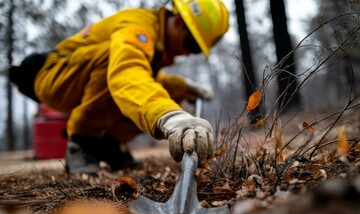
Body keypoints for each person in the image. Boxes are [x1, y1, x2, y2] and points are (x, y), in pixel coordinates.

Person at [9, 0, 229, 175]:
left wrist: (184, 87)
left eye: (197, 50)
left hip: (74, 79)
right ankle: (83, 142)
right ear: (179, 22)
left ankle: (108, 144)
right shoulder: (138, 27)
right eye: (192, 44)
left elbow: (142, 76)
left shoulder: (155, 40)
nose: (189, 53)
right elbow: (127, 72)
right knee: (119, 63)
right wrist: (168, 115)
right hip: (52, 78)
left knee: (168, 88)